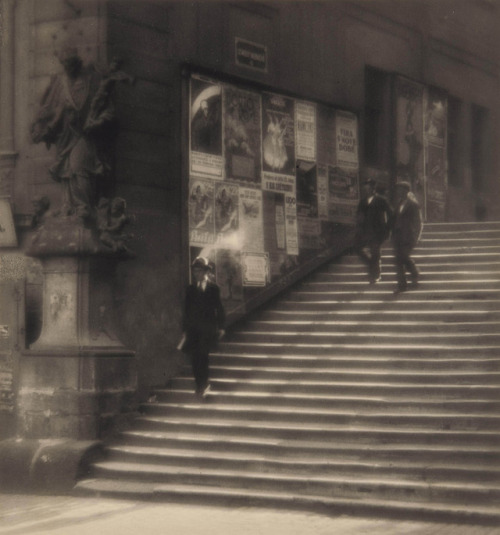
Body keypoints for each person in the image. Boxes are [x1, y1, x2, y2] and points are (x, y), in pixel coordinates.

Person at [30, 48, 116, 220]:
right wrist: (42, 128)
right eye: (65, 65)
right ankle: (68, 207)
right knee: (67, 172)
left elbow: (109, 110)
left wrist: (98, 123)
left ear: (77, 63)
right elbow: (50, 110)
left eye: (71, 64)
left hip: (84, 134)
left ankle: (84, 206)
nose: (67, 68)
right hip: (64, 136)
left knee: (79, 167)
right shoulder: (60, 84)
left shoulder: (92, 81)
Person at [180, 257, 225, 399]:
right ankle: (199, 384)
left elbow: (219, 308)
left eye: (199, 271)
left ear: (206, 271)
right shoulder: (191, 289)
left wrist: (221, 326)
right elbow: (186, 311)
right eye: (195, 271)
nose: (196, 274)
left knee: (203, 356)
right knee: (195, 358)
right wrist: (185, 330)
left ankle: (204, 385)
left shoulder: (213, 288)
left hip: (207, 329)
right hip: (193, 330)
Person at [354, 178, 393, 283]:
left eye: (369, 188)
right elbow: (359, 215)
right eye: (365, 188)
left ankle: (375, 276)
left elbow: (391, 214)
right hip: (365, 232)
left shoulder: (381, 200)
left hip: (377, 232)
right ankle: (371, 264)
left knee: (375, 253)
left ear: (373, 188)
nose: (366, 190)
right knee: (358, 249)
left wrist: (387, 228)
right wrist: (359, 227)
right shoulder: (362, 202)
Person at [392, 181, 423, 293]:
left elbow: (418, 222)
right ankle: (402, 286)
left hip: (408, 236)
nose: (398, 191)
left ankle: (414, 272)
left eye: (400, 189)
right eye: (398, 189)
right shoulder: (399, 203)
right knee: (398, 261)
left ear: (406, 191)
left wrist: (417, 237)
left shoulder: (413, 204)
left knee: (404, 257)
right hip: (398, 237)